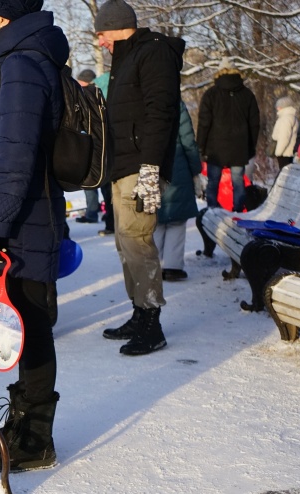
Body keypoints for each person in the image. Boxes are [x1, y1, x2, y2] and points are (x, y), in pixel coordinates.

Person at [0, 0, 67, 471]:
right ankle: (21, 424)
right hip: (18, 218)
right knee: (24, 321)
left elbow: (14, 157)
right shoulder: (7, 62)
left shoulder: (20, 64)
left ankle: (35, 439)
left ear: (2, 18)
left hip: (26, 221)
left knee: (33, 325)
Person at [95, 0, 184, 356]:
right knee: (125, 242)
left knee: (137, 240)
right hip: (122, 166)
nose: (100, 42)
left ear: (117, 26)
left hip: (140, 168)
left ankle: (152, 323)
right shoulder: (124, 59)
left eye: (101, 34)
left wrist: (150, 169)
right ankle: (138, 311)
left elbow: (160, 112)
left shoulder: (153, 53)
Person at [196, 58, 259, 213]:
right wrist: (250, 147)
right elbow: (254, 123)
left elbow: (204, 123)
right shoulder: (247, 94)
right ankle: (238, 213)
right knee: (238, 183)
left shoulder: (211, 94)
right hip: (239, 147)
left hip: (215, 147)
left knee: (213, 183)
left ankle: (212, 212)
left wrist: (200, 146)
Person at [155, 101, 202, 282]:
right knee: (176, 221)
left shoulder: (141, 98)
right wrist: (195, 169)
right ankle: (173, 267)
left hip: (149, 164)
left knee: (155, 219)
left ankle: (154, 266)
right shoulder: (176, 103)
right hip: (177, 163)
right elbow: (188, 139)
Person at [74, 69, 104, 225]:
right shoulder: (101, 92)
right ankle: (109, 214)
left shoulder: (86, 94)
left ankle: (92, 212)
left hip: (90, 143)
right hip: (103, 142)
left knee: (89, 180)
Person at [93, 71, 116, 236]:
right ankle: (114, 223)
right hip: (119, 153)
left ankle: (112, 224)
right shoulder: (118, 98)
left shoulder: (100, 104)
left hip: (106, 154)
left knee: (109, 192)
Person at [270, 96, 300, 172]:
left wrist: (278, 152)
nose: (277, 108)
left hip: (284, 152)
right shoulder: (291, 117)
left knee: (284, 173)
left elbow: (284, 137)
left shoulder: (285, 119)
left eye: (279, 106)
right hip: (289, 151)